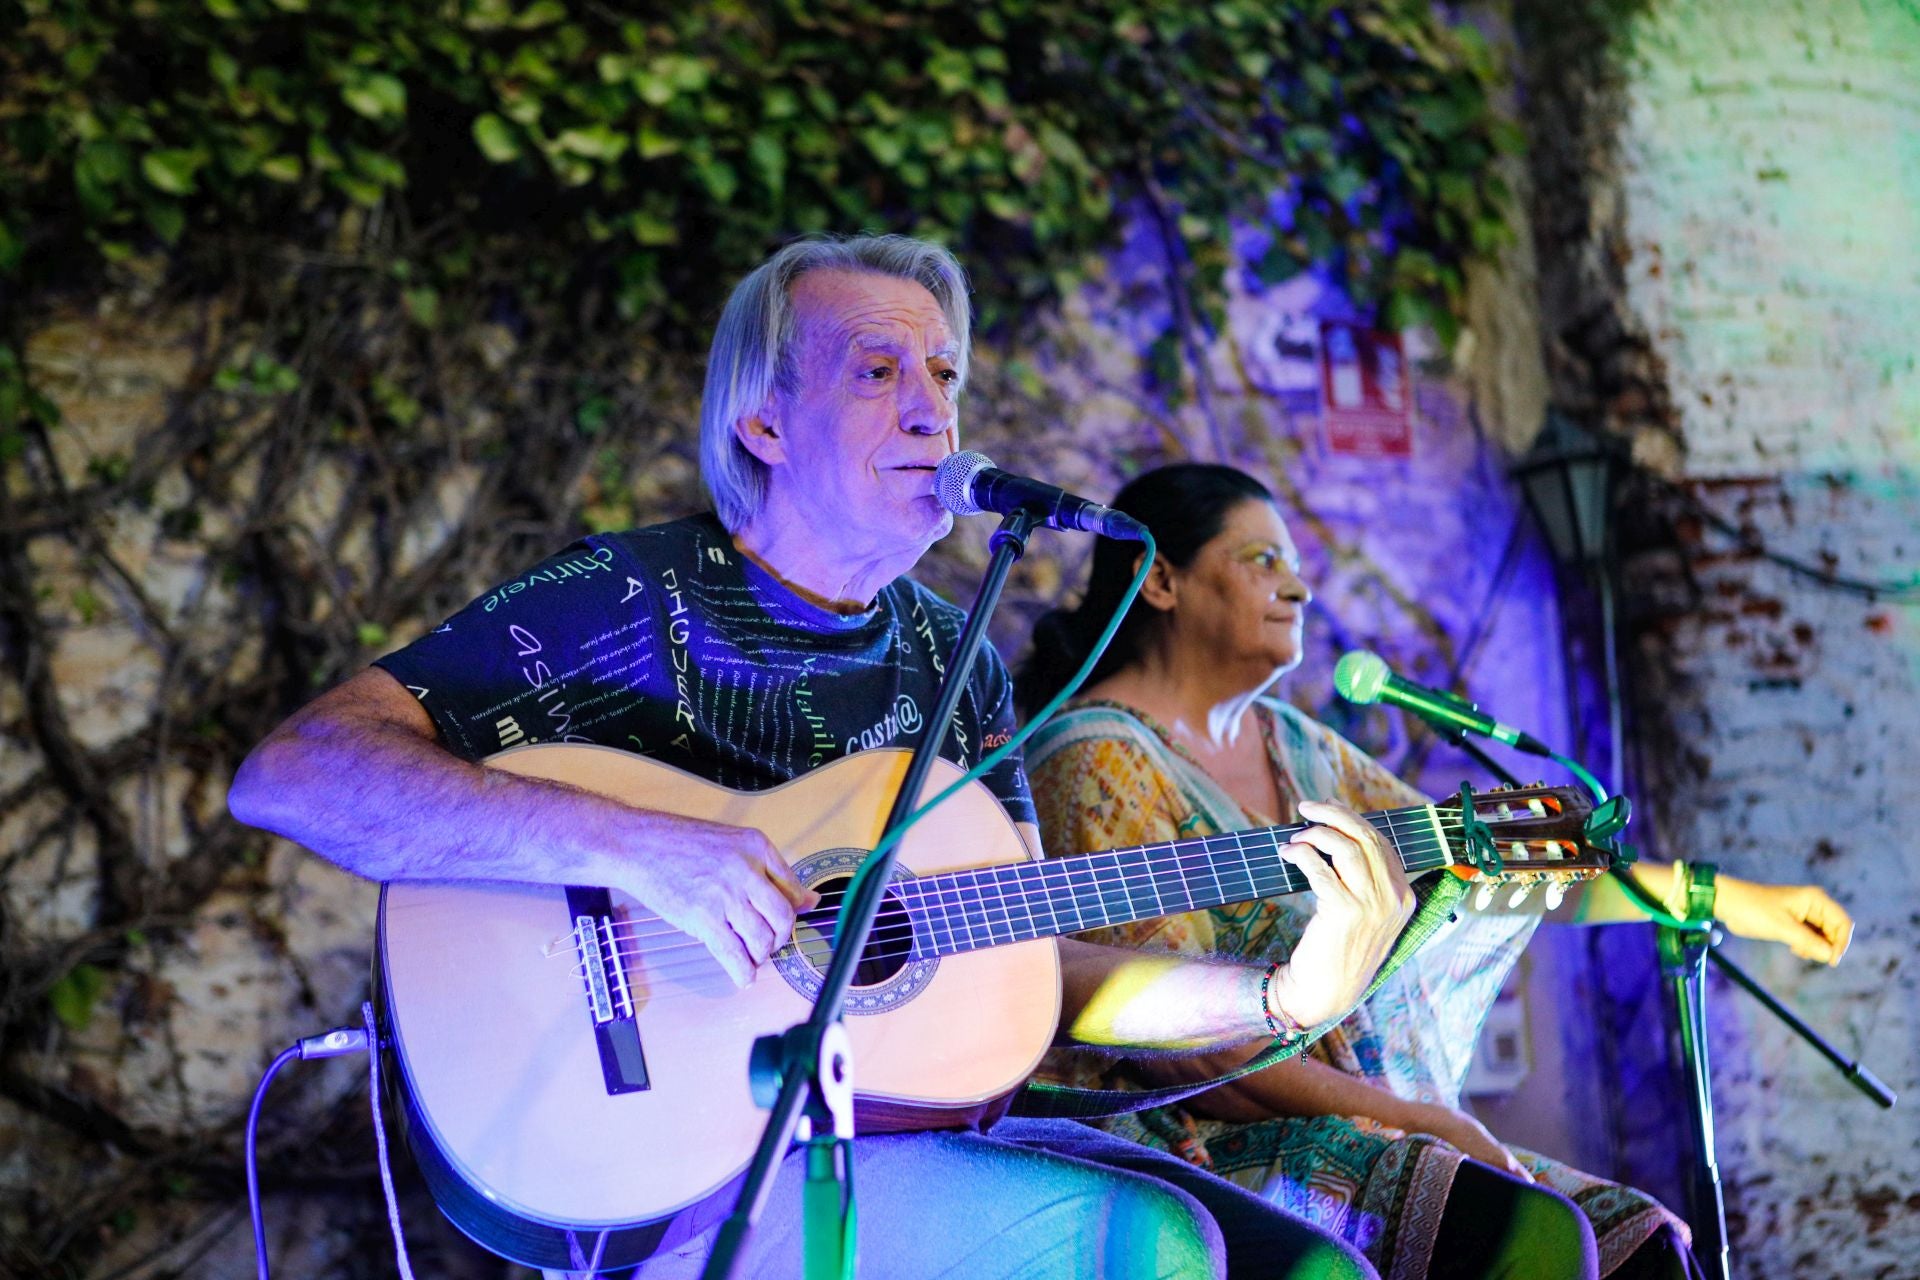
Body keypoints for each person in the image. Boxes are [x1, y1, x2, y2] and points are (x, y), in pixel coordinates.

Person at [228, 237, 1428, 1279]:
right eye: (876, 370)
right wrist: (642, 849)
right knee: (1144, 1245)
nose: (933, 409)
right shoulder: (632, 595)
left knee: (1308, 1261)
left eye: (945, 373)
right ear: (762, 419)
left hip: (906, 1140)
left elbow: (1031, 962)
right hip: (672, 1173)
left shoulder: (953, 657)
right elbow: (295, 771)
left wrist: (1280, 996)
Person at [1015, 463, 1857, 1280]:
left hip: (1371, 1120)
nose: (1300, 588)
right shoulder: (1094, 758)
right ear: (1160, 580)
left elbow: (1488, 864)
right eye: (1262, 560)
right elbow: (1185, 1056)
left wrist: (1720, 898)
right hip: (1195, 1144)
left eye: (1299, 566)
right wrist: (1421, 1119)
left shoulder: (1295, 743)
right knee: (1503, 1223)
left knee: (1641, 1239)